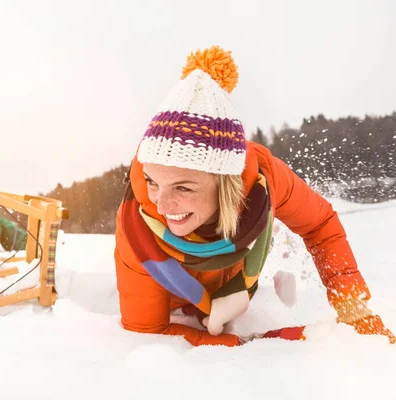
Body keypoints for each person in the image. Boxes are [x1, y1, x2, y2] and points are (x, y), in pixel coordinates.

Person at [114, 46, 395, 347]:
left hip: (236, 284)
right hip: (173, 302)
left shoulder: (264, 178)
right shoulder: (137, 226)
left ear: (227, 182)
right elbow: (146, 330)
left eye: (183, 187)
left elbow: (319, 224)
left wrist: (353, 309)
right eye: (152, 181)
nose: (161, 204)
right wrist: (243, 344)